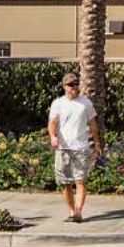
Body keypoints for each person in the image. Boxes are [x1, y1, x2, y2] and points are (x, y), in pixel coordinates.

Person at [46, 72, 99, 223]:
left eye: (76, 84)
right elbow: (51, 123)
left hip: (81, 148)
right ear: (64, 86)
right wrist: (53, 137)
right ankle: (71, 211)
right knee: (65, 183)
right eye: (71, 85)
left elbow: (93, 124)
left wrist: (97, 143)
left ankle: (78, 212)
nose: (74, 87)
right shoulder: (58, 103)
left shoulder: (86, 103)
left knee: (80, 181)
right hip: (63, 148)